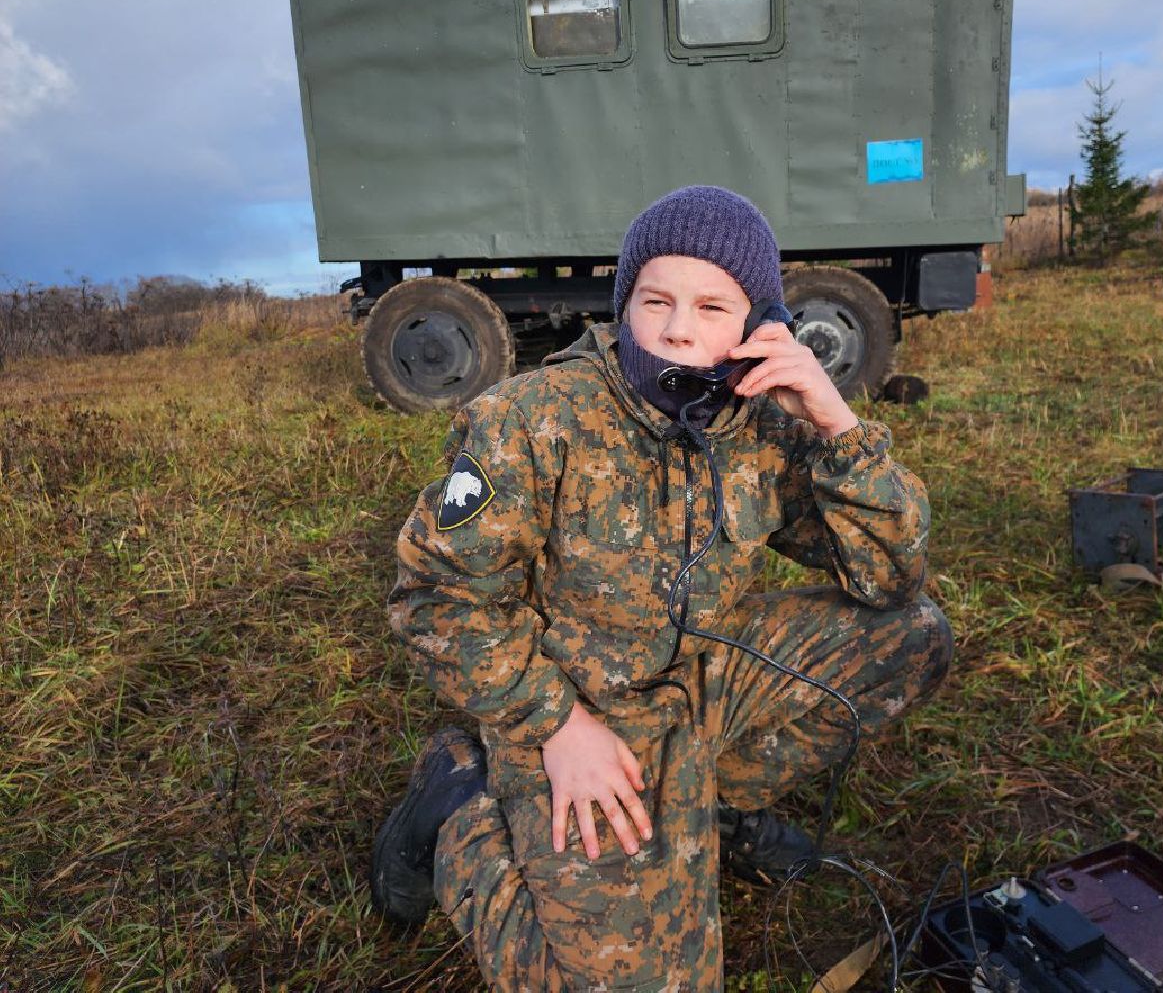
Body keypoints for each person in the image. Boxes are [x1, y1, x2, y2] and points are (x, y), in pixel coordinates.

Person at [372, 185, 953, 990]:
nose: (680, 327)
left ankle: (707, 803)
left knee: (913, 636)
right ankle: (459, 818)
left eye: (714, 306)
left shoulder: (764, 418)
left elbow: (891, 577)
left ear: (759, 325)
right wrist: (556, 723)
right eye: (657, 300)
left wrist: (835, 423)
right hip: (579, 709)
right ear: (626, 305)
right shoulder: (530, 419)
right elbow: (435, 598)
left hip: (708, 683)